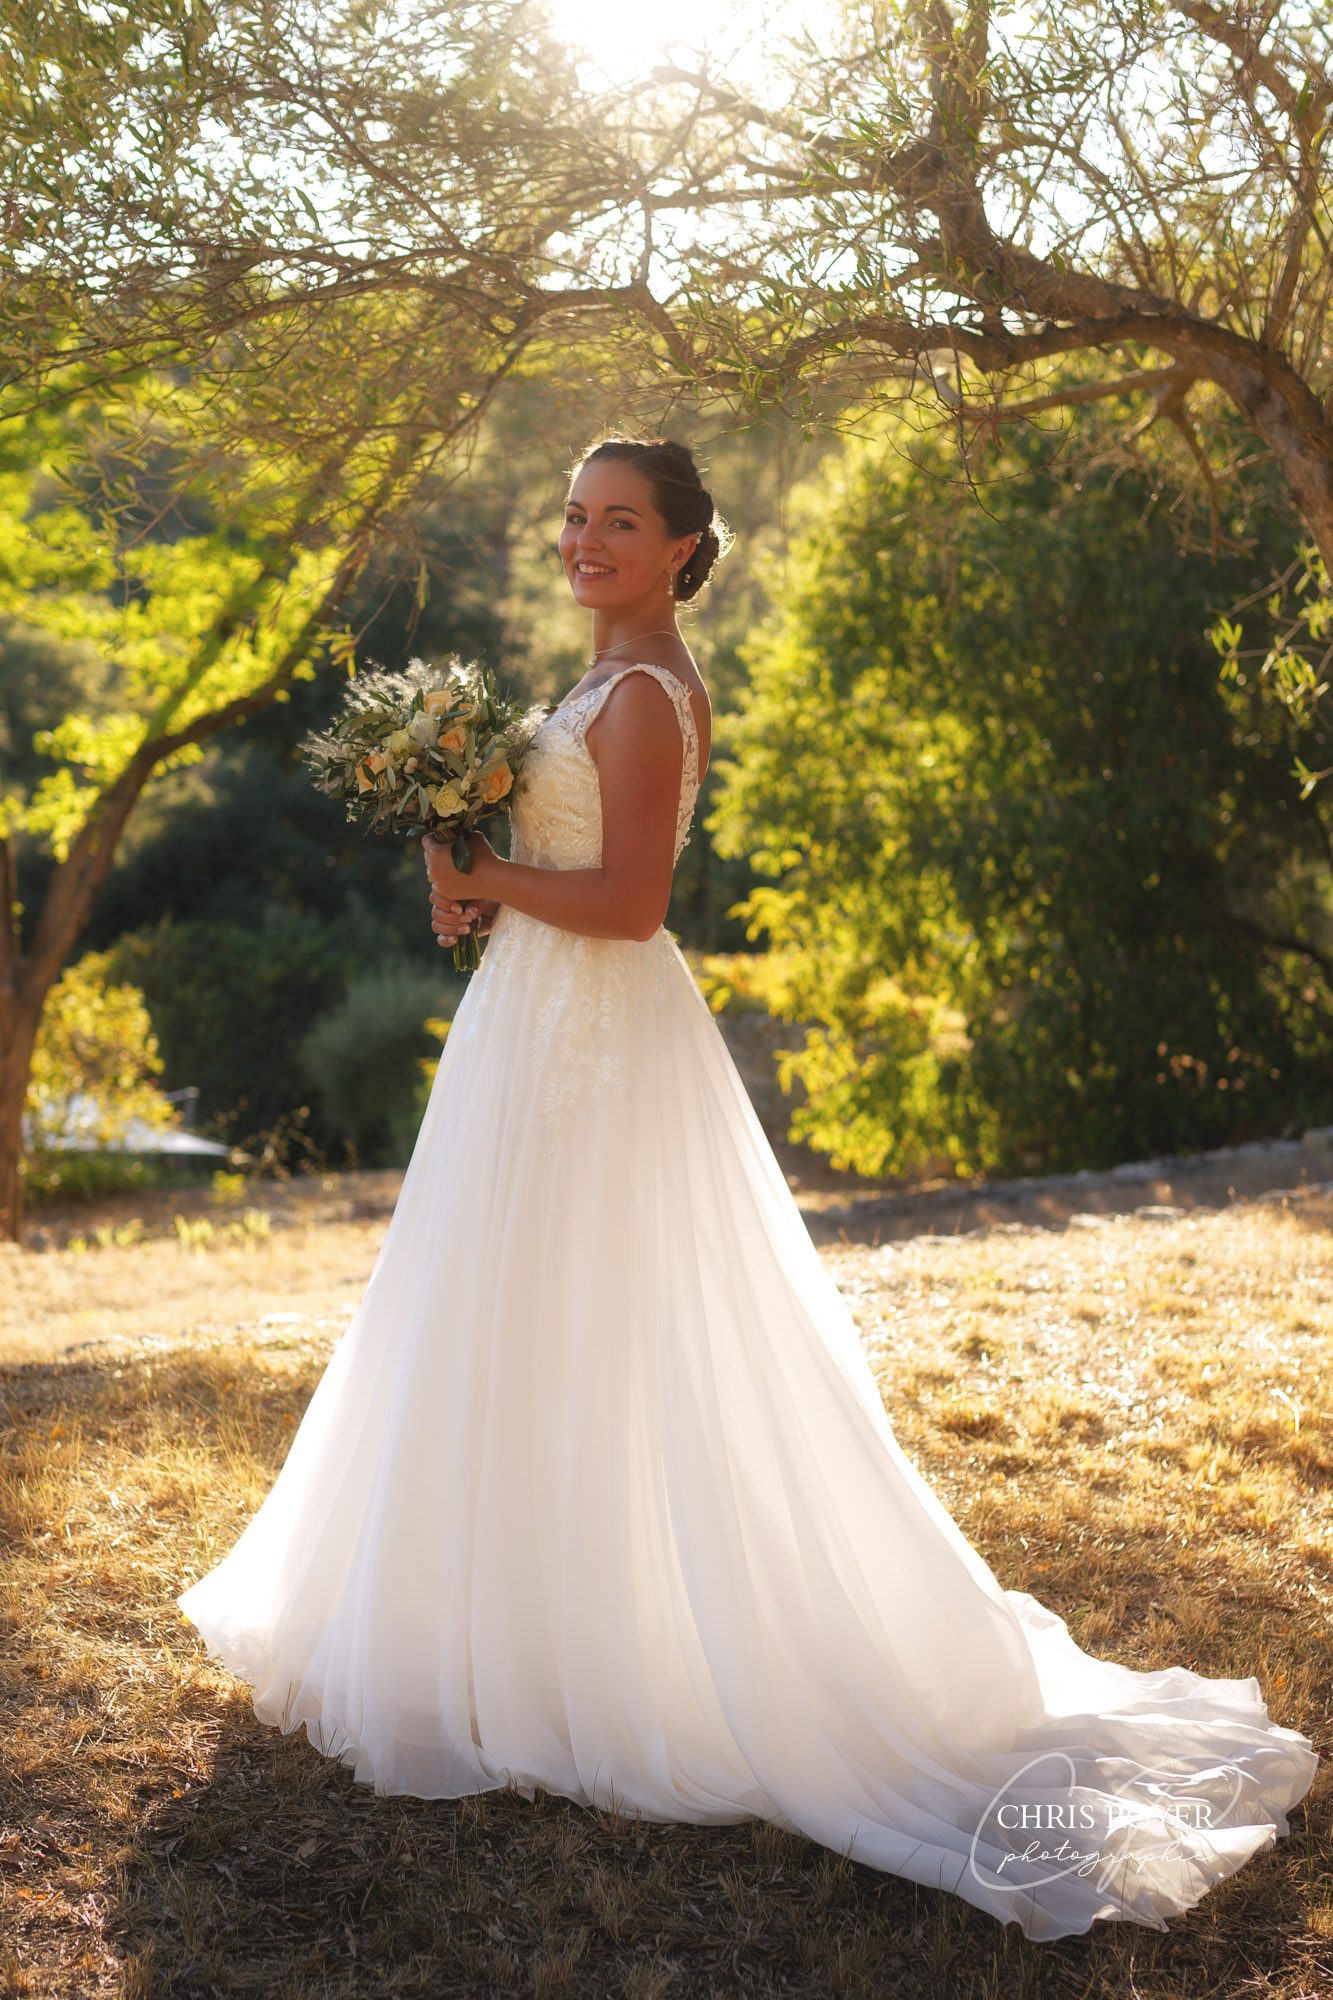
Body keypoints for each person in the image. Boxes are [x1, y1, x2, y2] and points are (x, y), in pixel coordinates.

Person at [177, 434, 1318, 1942]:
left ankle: (617, 1653)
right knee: (501, 1318)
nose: (586, 537)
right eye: (574, 512)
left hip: (600, 1040)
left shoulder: (646, 696)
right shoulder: (591, 681)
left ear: (681, 549)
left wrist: (498, 877)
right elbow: (546, 868)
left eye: (620, 521)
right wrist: (464, 861)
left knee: (603, 1321)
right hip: (532, 1023)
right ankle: (501, 1629)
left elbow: (633, 902)